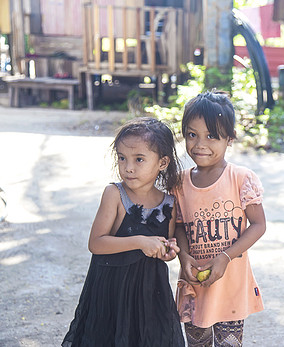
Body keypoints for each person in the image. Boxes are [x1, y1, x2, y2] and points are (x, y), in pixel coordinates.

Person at [62, 117, 185, 347]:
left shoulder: (169, 203)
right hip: (111, 292)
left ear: (162, 162)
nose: (128, 167)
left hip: (149, 295)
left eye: (139, 159)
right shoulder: (115, 194)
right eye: (122, 158)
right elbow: (96, 243)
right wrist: (139, 241)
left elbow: (164, 247)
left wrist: (168, 252)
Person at [174, 91, 266, 346]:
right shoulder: (180, 183)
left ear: (230, 139)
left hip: (231, 286)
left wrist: (225, 257)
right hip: (195, 284)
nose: (200, 144)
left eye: (211, 136)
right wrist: (184, 256)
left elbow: (258, 225)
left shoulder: (240, 178)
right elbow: (179, 225)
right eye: (192, 135)